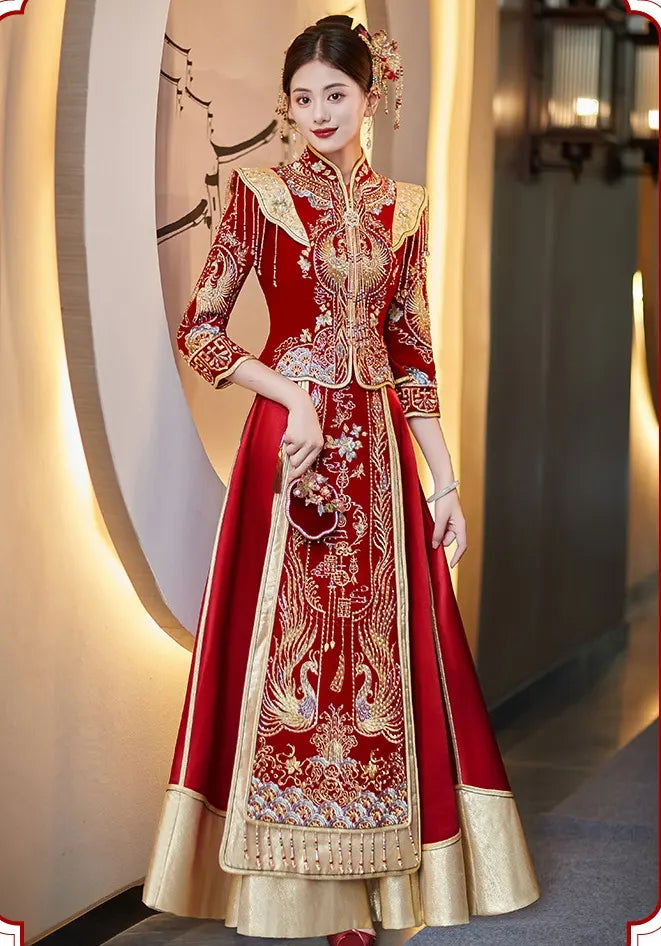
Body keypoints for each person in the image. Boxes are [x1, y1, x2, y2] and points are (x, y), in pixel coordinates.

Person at [142, 15, 541, 945]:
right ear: (285, 109)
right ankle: (286, 886)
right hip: (293, 449)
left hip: (380, 465)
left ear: (370, 99)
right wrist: (292, 391)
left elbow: (412, 356)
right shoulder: (258, 193)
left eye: (336, 95)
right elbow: (201, 332)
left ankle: (375, 891)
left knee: (376, 663)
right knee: (286, 655)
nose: (317, 112)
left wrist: (445, 484)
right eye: (301, 98)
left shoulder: (405, 209)